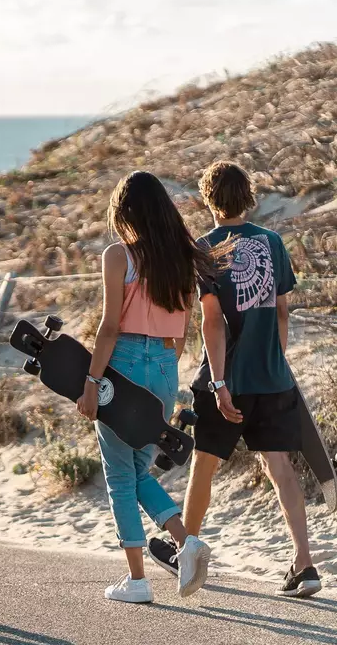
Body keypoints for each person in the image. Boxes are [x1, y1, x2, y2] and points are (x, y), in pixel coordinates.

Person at [149, 161, 323, 598]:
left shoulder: (205, 248)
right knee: (279, 466)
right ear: (248, 197)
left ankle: (183, 549)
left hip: (228, 379)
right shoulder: (272, 242)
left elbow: (212, 322)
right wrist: (274, 363)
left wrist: (220, 383)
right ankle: (305, 563)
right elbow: (282, 311)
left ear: (209, 200)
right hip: (273, 377)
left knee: (204, 464)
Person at [77, 171, 219, 603]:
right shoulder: (185, 256)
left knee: (119, 476)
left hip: (123, 363)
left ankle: (137, 580)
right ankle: (184, 541)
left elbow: (108, 328)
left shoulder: (119, 255)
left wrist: (90, 383)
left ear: (125, 213)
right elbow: (184, 329)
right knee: (137, 470)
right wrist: (161, 364)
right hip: (164, 366)